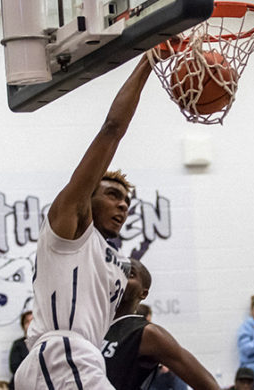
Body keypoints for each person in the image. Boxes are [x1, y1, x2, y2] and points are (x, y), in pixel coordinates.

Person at [14, 54, 154, 389]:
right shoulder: (70, 228)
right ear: (87, 199)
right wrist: (149, 61)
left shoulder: (118, 264)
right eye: (111, 195)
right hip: (63, 353)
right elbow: (112, 129)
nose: (122, 204)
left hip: (76, 360)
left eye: (126, 201)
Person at [102, 258, 220, 390]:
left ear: (143, 293)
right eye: (117, 271)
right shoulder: (91, 323)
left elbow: (209, 385)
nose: (120, 276)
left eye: (130, 274)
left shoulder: (148, 333)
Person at [8, 311, 32, 390]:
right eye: (27, 322)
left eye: (33, 321)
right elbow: (14, 367)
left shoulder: (45, 342)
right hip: (21, 384)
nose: (30, 324)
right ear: (23, 326)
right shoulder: (18, 344)